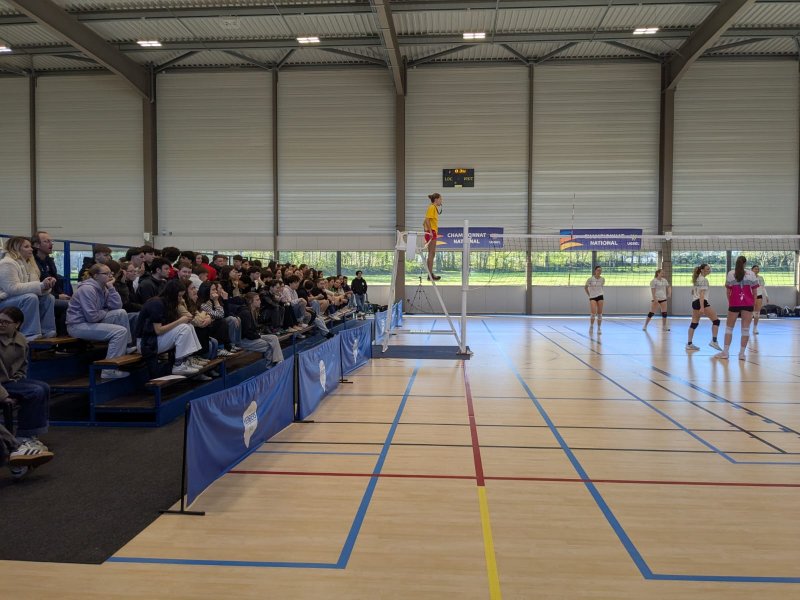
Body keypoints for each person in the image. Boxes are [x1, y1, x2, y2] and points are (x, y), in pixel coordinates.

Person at [0, 306, 55, 477]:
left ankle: (28, 438)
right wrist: (3, 396)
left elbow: (22, 366)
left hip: (9, 381)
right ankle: (20, 444)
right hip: (1, 385)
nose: (1, 324)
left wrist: (18, 379)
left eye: (6, 322)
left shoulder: (21, 340)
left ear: (17, 324)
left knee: (43, 387)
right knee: (35, 391)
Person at [66, 263, 133, 379]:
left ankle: (126, 347)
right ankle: (108, 370)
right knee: (120, 331)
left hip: (91, 321)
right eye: (106, 273)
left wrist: (111, 288)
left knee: (121, 313)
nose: (110, 276)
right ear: (96, 276)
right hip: (78, 326)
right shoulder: (87, 289)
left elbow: (117, 306)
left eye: (111, 273)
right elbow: (92, 317)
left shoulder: (104, 288)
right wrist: (105, 311)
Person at [134, 279, 202, 377]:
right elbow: (158, 330)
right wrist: (179, 321)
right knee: (184, 327)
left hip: (154, 340)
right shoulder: (156, 304)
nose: (180, 299)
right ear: (172, 294)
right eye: (179, 296)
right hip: (146, 343)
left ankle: (186, 360)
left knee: (189, 326)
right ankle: (178, 364)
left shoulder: (168, 304)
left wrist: (182, 307)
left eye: (182, 296)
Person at [0, 236, 57, 340]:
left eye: (30, 246)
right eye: (26, 247)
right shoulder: (7, 263)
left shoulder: (30, 264)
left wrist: (46, 286)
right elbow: (12, 288)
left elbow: (34, 286)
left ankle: (47, 330)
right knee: (30, 297)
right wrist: (40, 285)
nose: (31, 249)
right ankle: (29, 334)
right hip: (3, 301)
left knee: (49, 298)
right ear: (16, 248)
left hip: (18, 298)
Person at [715, 256, 759, 360]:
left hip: (734, 303)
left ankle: (725, 353)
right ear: (745, 263)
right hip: (748, 303)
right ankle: (742, 354)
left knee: (729, 328)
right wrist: (752, 305)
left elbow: (728, 291)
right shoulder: (751, 274)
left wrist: (731, 303)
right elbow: (755, 293)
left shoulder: (731, 273)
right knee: (745, 329)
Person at [32, 231, 71, 336]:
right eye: (47, 241)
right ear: (36, 245)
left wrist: (61, 294)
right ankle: (62, 338)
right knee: (71, 306)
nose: (51, 244)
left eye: (51, 241)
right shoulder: (32, 263)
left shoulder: (50, 261)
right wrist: (57, 296)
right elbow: (36, 286)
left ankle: (65, 337)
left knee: (74, 303)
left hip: (53, 296)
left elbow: (56, 283)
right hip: (42, 297)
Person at [239, 293, 284, 366]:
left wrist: (258, 334)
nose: (260, 301)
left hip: (253, 336)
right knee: (270, 346)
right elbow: (246, 332)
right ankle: (270, 366)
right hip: (245, 340)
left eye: (259, 299)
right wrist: (258, 336)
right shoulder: (245, 313)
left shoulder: (254, 311)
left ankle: (279, 361)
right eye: (257, 300)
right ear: (250, 301)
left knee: (274, 338)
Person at [686, 263, 721, 351]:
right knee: (716, 321)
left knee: (694, 323)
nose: (709, 270)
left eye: (709, 269)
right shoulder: (704, 280)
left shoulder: (697, 279)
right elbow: (702, 294)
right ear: (702, 270)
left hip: (694, 302)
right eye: (707, 269)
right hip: (701, 302)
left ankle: (689, 344)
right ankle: (714, 341)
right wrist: (702, 307)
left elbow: (692, 292)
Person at [423, 192, 443, 281]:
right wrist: (430, 232)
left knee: (432, 253)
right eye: (440, 199)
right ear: (436, 199)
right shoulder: (432, 207)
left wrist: (426, 230)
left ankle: (430, 274)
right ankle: (430, 274)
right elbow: (427, 220)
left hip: (431, 231)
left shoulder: (433, 208)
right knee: (431, 253)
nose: (441, 201)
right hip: (432, 232)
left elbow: (424, 222)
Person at [584, 265, 605, 331]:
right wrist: (589, 294)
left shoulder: (602, 279)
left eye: (600, 270)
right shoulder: (590, 279)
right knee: (593, 312)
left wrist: (599, 292)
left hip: (600, 295)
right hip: (592, 296)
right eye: (598, 270)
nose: (599, 271)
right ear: (595, 271)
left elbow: (601, 287)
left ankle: (599, 327)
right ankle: (591, 326)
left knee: (599, 313)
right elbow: (585, 287)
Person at [751, 264, 768, 335]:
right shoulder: (749, 278)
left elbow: (763, 287)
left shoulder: (760, 278)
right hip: (751, 296)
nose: (757, 270)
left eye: (758, 269)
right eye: (755, 269)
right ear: (752, 270)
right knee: (750, 313)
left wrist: (766, 295)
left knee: (757, 313)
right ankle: (747, 327)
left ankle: (755, 328)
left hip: (759, 296)